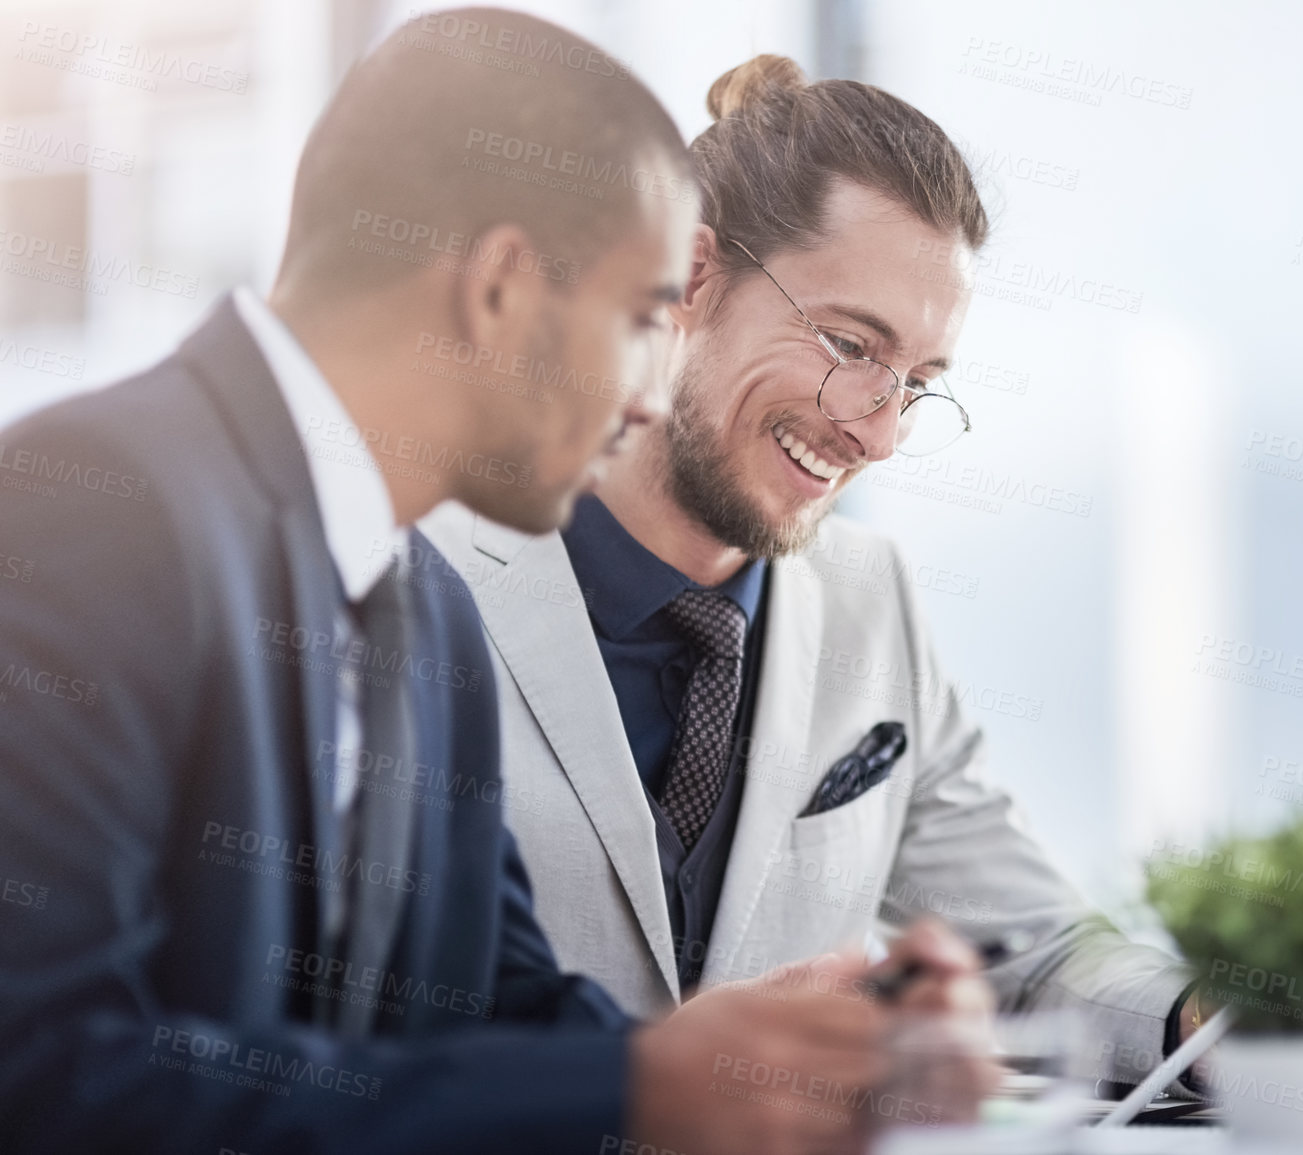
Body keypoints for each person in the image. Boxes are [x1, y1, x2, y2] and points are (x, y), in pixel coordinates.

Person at [0, 14, 988, 1154]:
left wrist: (753, 1063)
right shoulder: (96, 505)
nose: (644, 399)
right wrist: (634, 1088)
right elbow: (43, 1074)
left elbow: (492, 1006)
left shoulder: (425, 609)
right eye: (637, 318)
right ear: (504, 288)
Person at [419, 50, 1303, 1093]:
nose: (877, 433)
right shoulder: (422, 580)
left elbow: (1030, 953)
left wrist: (1206, 1014)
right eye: (849, 344)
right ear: (692, 281)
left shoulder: (867, 597)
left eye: (917, 383)